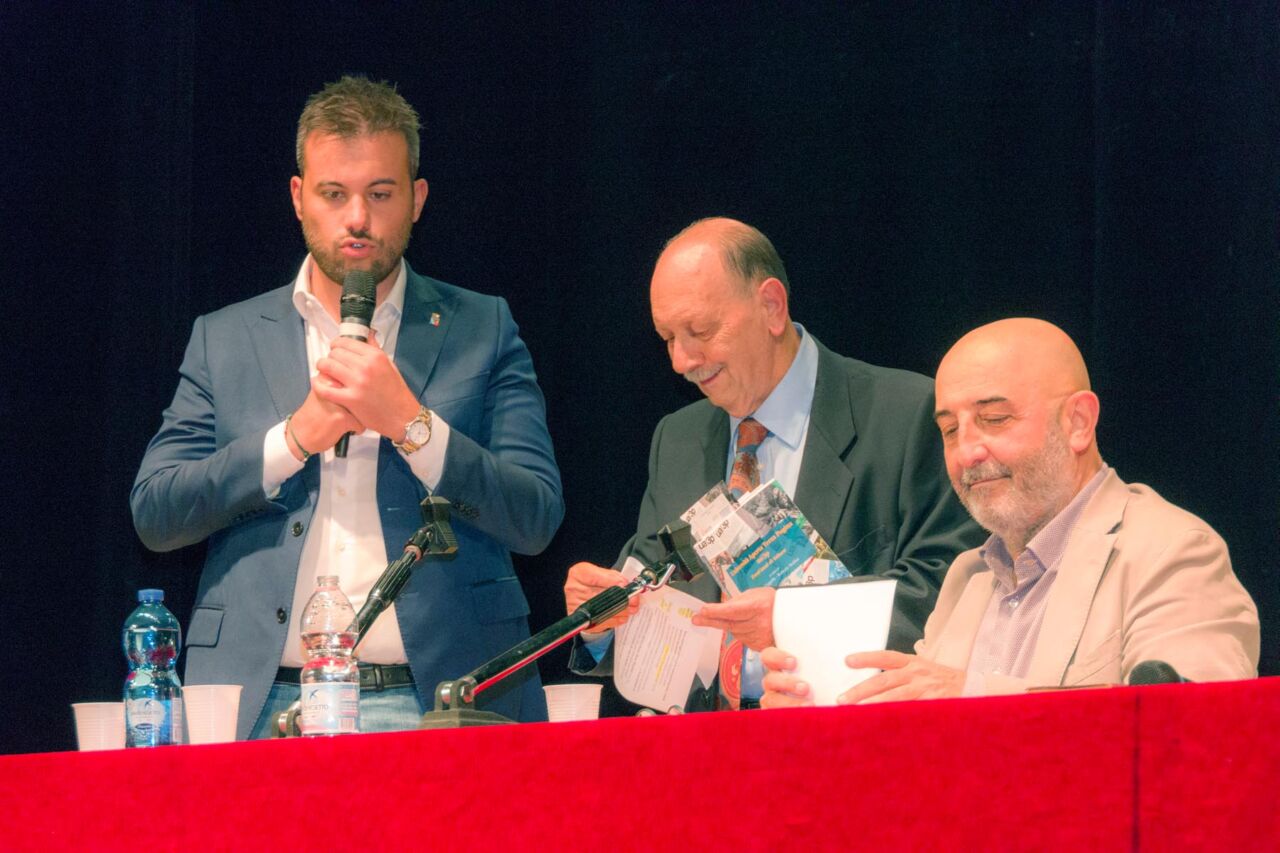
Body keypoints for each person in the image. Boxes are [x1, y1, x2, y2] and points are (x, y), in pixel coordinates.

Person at [131, 75, 564, 738]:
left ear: (417, 199)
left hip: (441, 701)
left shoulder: (483, 327)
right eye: (334, 194)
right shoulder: (226, 337)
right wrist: (294, 439)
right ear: (298, 197)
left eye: (380, 194)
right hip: (262, 703)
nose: (357, 217)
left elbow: (534, 517)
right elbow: (157, 512)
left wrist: (412, 426)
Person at [562, 217, 982, 710]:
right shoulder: (677, 439)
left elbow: (948, 589)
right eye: (667, 337)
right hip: (706, 744)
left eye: (700, 330)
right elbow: (653, 587)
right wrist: (599, 617)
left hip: (852, 730)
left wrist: (791, 620)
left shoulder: (905, 414)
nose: (681, 361)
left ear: (771, 307)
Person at [761, 318, 1259, 706]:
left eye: (995, 419)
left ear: (1078, 422)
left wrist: (969, 696)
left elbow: (1191, 738)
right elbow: (917, 753)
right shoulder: (967, 578)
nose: (966, 452)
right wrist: (819, 713)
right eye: (950, 430)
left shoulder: (1172, 551)